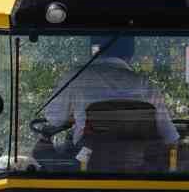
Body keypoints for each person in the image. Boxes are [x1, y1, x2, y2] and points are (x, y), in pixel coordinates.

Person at [42, 35, 179, 147]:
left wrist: (73, 115)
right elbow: (168, 135)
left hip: (87, 161)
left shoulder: (76, 77)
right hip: (137, 164)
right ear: (130, 53)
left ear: (94, 49)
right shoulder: (145, 85)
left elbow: (54, 119)